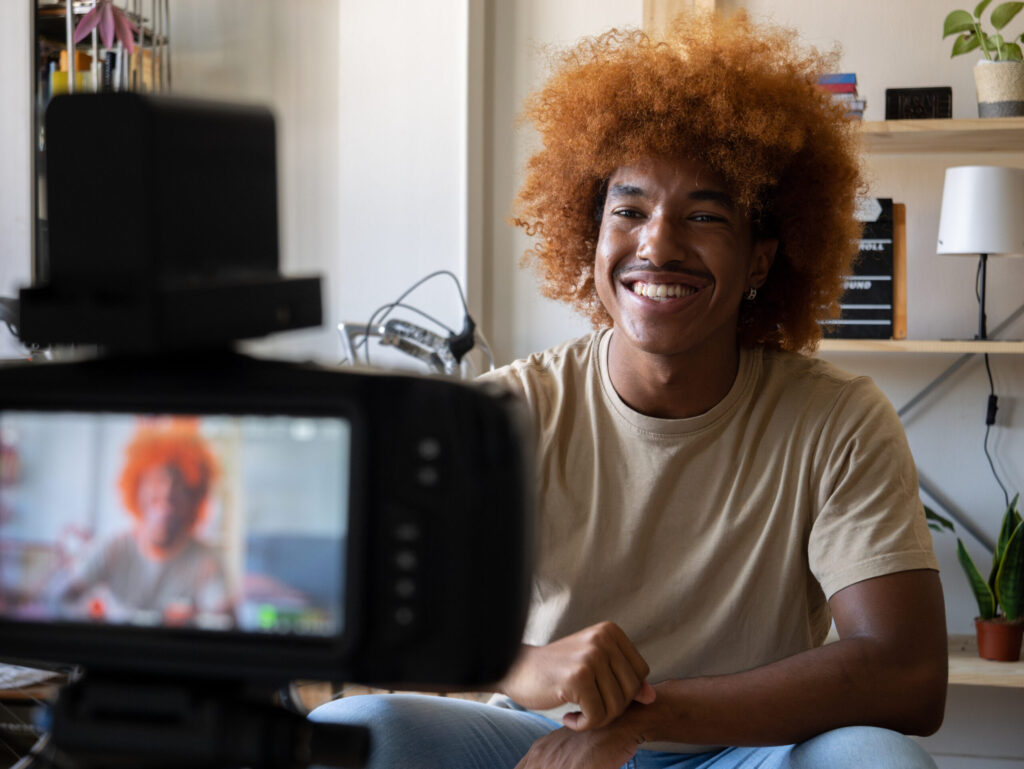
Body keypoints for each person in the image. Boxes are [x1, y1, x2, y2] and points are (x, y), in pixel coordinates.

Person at [311, 11, 947, 769]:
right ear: (591, 238)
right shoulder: (512, 411)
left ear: (761, 260)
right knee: (357, 728)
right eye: (630, 210)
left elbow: (908, 675)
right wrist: (519, 665)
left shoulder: (837, 418)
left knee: (878, 760)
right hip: (544, 739)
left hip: (751, 750)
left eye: (704, 214)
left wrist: (641, 719)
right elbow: (367, 622)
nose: (658, 244)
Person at [59, 419, 235, 628]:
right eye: (157, 479)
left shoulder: (206, 560)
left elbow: (226, 619)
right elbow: (61, 599)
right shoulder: (113, 548)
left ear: (194, 498)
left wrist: (199, 617)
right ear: (136, 488)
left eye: (179, 484)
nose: (167, 493)